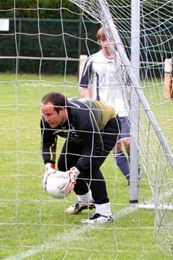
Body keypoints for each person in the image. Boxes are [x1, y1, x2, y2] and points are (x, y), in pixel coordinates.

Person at [40, 92, 120, 223]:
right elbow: (47, 144)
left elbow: (93, 148)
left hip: (106, 127)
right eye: (44, 114)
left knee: (90, 166)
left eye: (49, 114)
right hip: (80, 132)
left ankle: (104, 213)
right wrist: (49, 166)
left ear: (63, 110)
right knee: (65, 162)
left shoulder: (82, 117)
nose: (46, 118)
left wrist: (76, 170)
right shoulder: (46, 121)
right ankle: (85, 201)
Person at [79, 26, 131, 185]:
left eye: (109, 40)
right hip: (104, 111)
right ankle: (131, 178)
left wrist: (126, 94)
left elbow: (129, 82)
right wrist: (90, 103)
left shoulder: (122, 59)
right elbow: (83, 85)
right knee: (115, 146)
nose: (107, 43)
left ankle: (136, 166)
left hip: (122, 108)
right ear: (99, 41)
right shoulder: (93, 59)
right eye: (103, 40)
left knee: (128, 141)